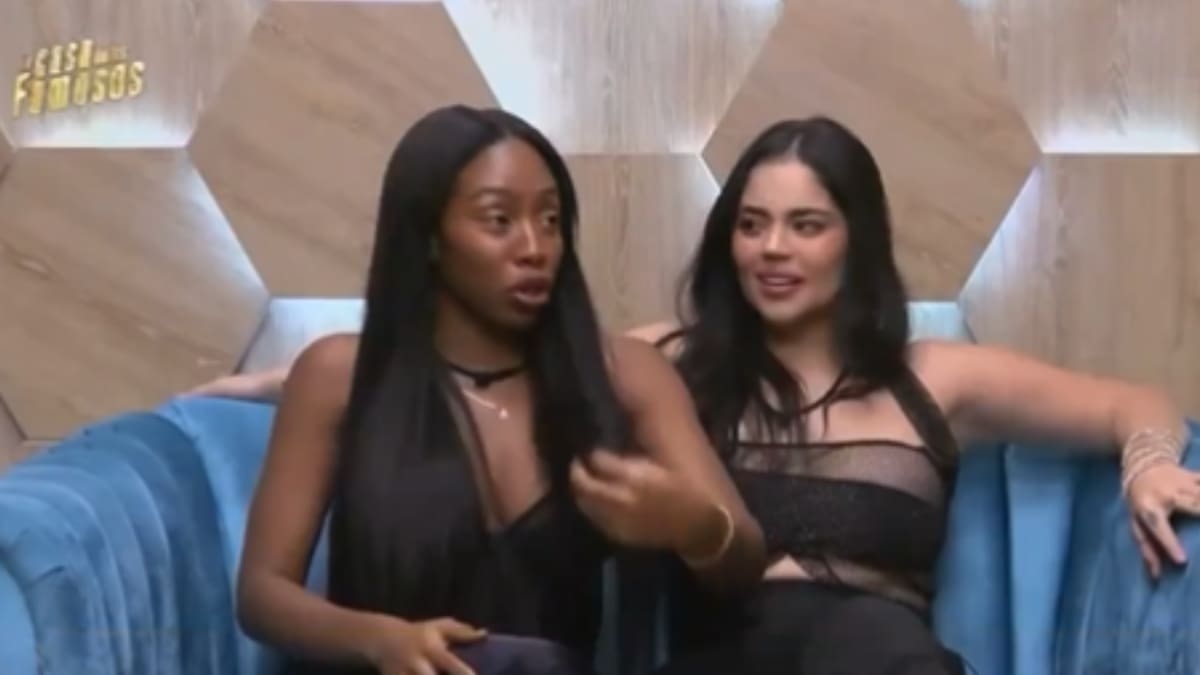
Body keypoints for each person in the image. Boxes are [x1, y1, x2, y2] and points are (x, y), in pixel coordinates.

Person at [194, 116, 1198, 674]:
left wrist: (1151, 461)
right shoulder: (669, 359)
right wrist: (269, 382)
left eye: (806, 225)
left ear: (857, 241)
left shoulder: (937, 376)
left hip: (873, 655)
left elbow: (1132, 403)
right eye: (752, 224)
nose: (773, 250)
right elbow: (464, 359)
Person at [233, 104, 766, 675]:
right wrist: (379, 639)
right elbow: (262, 593)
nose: (535, 247)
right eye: (499, 220)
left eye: (551, 220)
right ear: (430, 237)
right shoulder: (340, 374)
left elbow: (743, 561)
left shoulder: (625, 374)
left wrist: (694, 526)